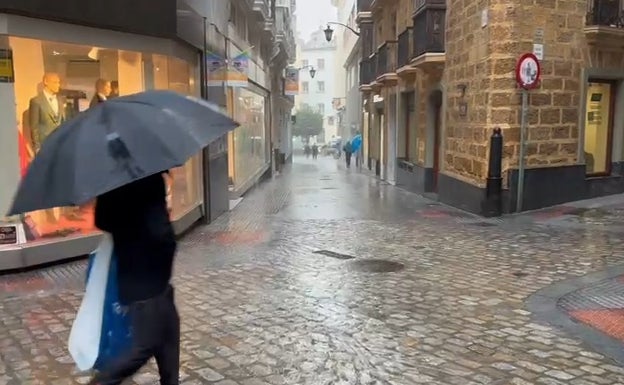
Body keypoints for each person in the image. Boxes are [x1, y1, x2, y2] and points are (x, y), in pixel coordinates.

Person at [89, 172, 179, 385]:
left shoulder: (110, 182)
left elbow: (102, 220)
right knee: (142, 348)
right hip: (149, 282)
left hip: (136, 279)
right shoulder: (149, 177)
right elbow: (160, 234)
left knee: (168, 342)